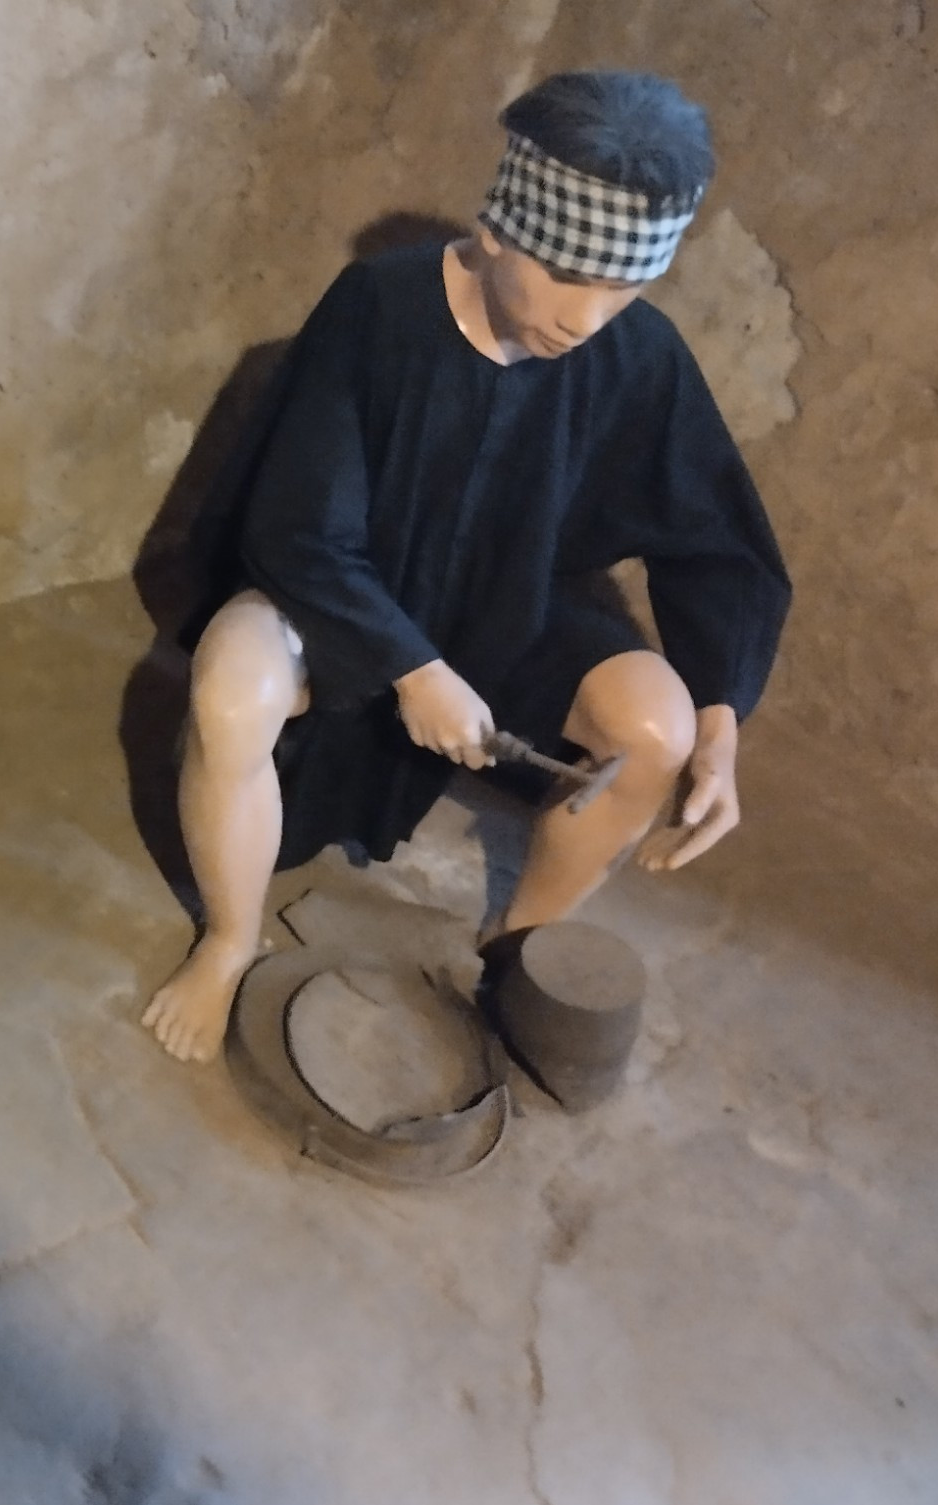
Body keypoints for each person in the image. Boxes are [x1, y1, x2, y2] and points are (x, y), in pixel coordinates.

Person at [144, 71, 791, 1063]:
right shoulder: (380, 309)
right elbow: (298, 528)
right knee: (230, 692)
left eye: (620, 289)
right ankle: (230, 938)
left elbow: (716, 543)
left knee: (649, 727)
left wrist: (717, 728)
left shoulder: (633, 353)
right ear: (498, 235)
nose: (586, 318)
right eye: (566, 278)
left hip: (510, 607)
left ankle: (511, 950)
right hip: (347, 599)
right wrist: (413, 668)